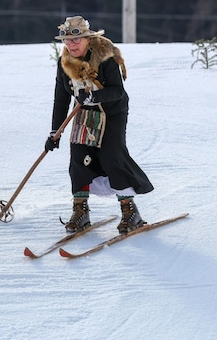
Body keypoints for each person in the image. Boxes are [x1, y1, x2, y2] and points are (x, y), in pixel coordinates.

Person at [45, 15, 154, 235]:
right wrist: (55, 131)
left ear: (87, 39)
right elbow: (61, 98)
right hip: (85, 113)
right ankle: (80, 211)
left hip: (112, 112)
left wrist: (94, 97)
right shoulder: (64, 62)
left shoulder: (105, 58)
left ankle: (130, 212)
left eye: (76, 40)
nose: (71, 44)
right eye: (66, 40)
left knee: (111, 156)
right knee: (78, 156)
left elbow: (117, 91)